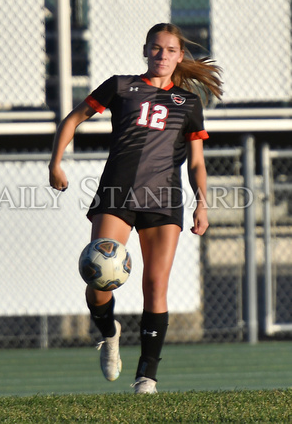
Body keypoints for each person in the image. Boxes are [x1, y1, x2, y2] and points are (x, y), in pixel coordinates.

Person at [49, 23, 222, 393]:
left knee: (156, 285)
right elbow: (74, 117)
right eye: (156, 49)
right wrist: (56, 162)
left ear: (179, 56)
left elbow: (196, 162)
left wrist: (201, 204)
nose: (162, 56)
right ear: (145, 50)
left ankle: (147, 375)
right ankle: (109, 332)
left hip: (163, 200)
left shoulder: (188, 104)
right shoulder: (121, 87)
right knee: (97, 278)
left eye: (170, 50)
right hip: (117, 195)